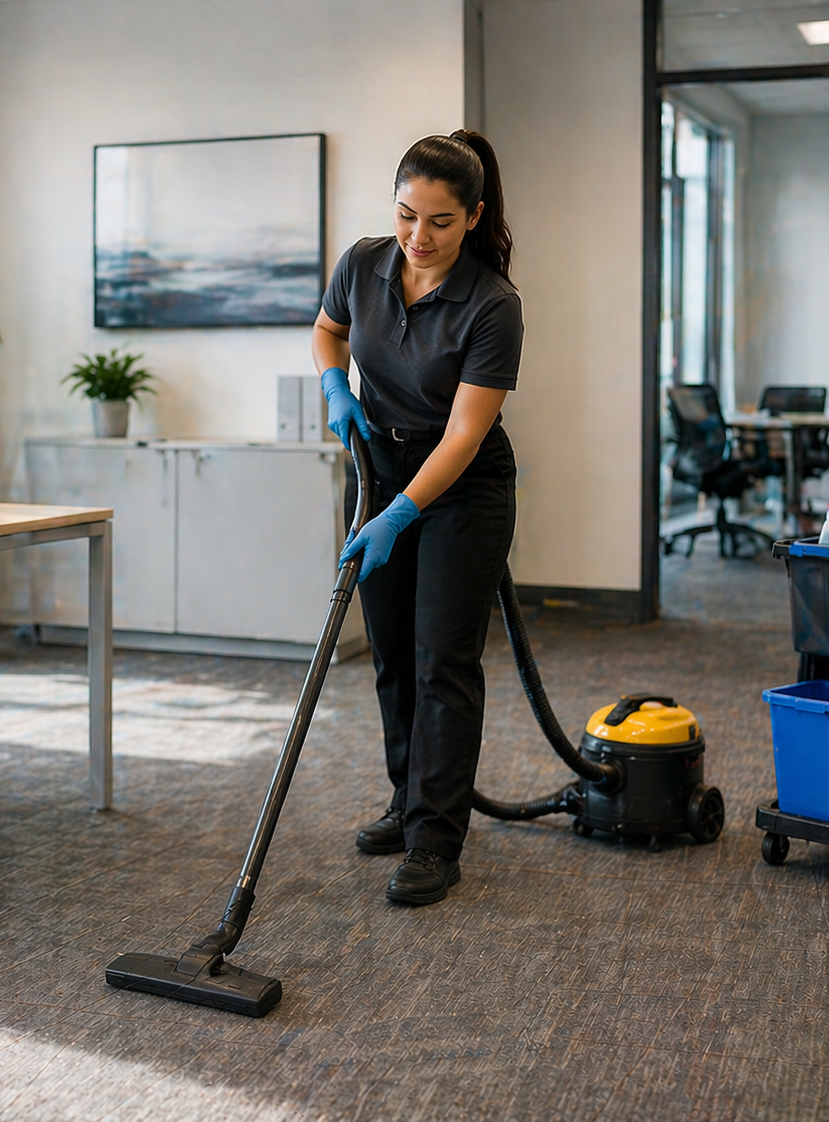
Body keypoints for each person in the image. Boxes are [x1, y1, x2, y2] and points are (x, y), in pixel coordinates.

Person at [311, 130, 522, 906]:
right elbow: (329, 330)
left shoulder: (493, 305)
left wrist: (401, 514)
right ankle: (407, 803)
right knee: (393, 653)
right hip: (378, 467)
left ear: (471, 218)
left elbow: (466, 434)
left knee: (443, 660)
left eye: (438, 221)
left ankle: (437, 839)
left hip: (461, 486)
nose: (417, 237)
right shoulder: (364, 263)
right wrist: (336, 388)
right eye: (406, 215)